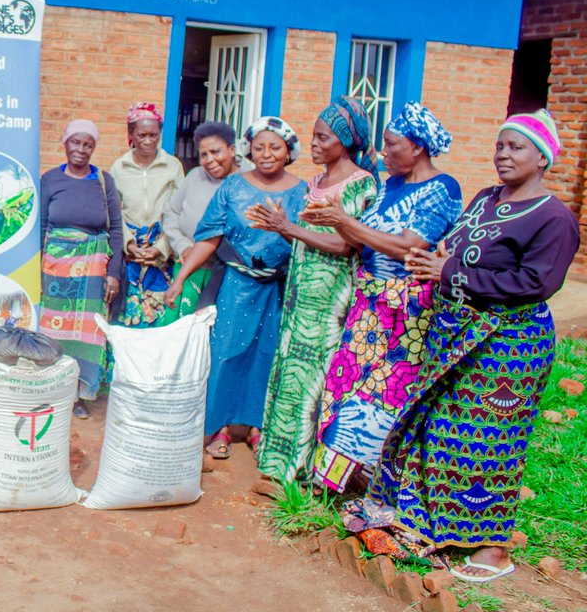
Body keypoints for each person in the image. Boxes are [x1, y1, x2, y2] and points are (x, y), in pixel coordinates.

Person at [352, 109, 579, 582]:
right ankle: (434, 527)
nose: (503, 154)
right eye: (500, 145)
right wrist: (440, 256)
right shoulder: (485, 198)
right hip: (456, 335)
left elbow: (537, 281)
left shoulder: (553, 218)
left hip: (507, 348)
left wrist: (450, 272)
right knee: (439, 428)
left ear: (542, 158)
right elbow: (455, 244)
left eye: (516, 147)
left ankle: (494, 548)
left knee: (490, 441)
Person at [307, 102, 463, 493]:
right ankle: (333, 483)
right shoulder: (390, 185)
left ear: (417, 147)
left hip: (407, 314)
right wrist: (337, 220)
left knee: (385, 393)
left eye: (391, 144)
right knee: (345, 382)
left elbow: (409, 247)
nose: (383, 153)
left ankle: (373, 488)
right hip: (369, 302)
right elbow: (360, 239)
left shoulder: (442, 188)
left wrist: (346, 222)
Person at [246, 98, 379, 484]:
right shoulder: (315, 183)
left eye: (323, 137)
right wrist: (281, 226)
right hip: (300, 293)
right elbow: (307, 239)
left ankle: (306, 471)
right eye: (315, 136)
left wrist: (288, 228)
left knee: (317, 381)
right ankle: (277, 465)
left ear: (345, 141)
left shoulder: (361, 184)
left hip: (332, 300)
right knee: (290, 373)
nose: (315, 144)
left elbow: (347, 245)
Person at [165, 116, 306, 459]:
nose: (267, 154)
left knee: (267, 356)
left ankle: (257, 427)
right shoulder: (233, 187)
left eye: (275, 147)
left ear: (289, 151)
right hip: (237, 284)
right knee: (225, 352)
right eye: (259, 147)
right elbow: (210, 238)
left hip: (278, 287)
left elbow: (309, 241)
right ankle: (220, 427)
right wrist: (181, 278)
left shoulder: (303, 191)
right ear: (248, 151)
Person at [37, 119, 124, 419]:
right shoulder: (49, 180)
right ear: (65, 142)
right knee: (54, 329)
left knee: (86, 333)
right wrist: (36, 270)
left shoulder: (103, 181)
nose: (81, 150)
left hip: (92, 270)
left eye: (88, 144)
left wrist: (114, 272)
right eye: (76, 142)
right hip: (56, 268)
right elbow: (41, 228)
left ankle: (79, 395)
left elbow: (116, 231)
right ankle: (53, 392)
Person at [161, 121, 250, 316]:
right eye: (204, 154)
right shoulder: (194, 176)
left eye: (216, 152)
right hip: (187, 268)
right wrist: (182, 245)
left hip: (225, 274)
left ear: (232, 149)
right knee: (178, 328)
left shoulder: (249, 179)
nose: (210, 160)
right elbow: (172, 214)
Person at [110, 102, 184, 327]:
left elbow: (179, 211)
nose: (148, 140)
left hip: (162, 251)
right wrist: (129, 244)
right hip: (131, 253)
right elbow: (114, 212)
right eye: (142, 134)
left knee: (160, 316)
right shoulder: (119, 167)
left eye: (154, 134)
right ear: (131, 134)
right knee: (128, 318)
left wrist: (161, 248)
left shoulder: (172, 166)